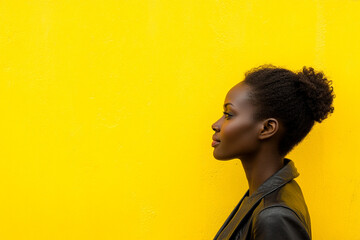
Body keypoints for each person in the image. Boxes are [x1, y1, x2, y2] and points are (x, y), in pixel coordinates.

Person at [211, 65, 335, 240]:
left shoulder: (274, 216)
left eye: (229, 114)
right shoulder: (263, 196)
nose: (216, 124)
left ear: (267, 128)